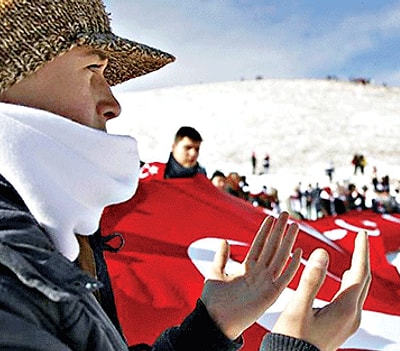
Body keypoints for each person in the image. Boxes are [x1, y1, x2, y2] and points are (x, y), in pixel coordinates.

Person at [0, 1, 370, 351]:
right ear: (11, 74)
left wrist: (211, 326)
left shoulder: (40, 240)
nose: (113, 104)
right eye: (93, 69)